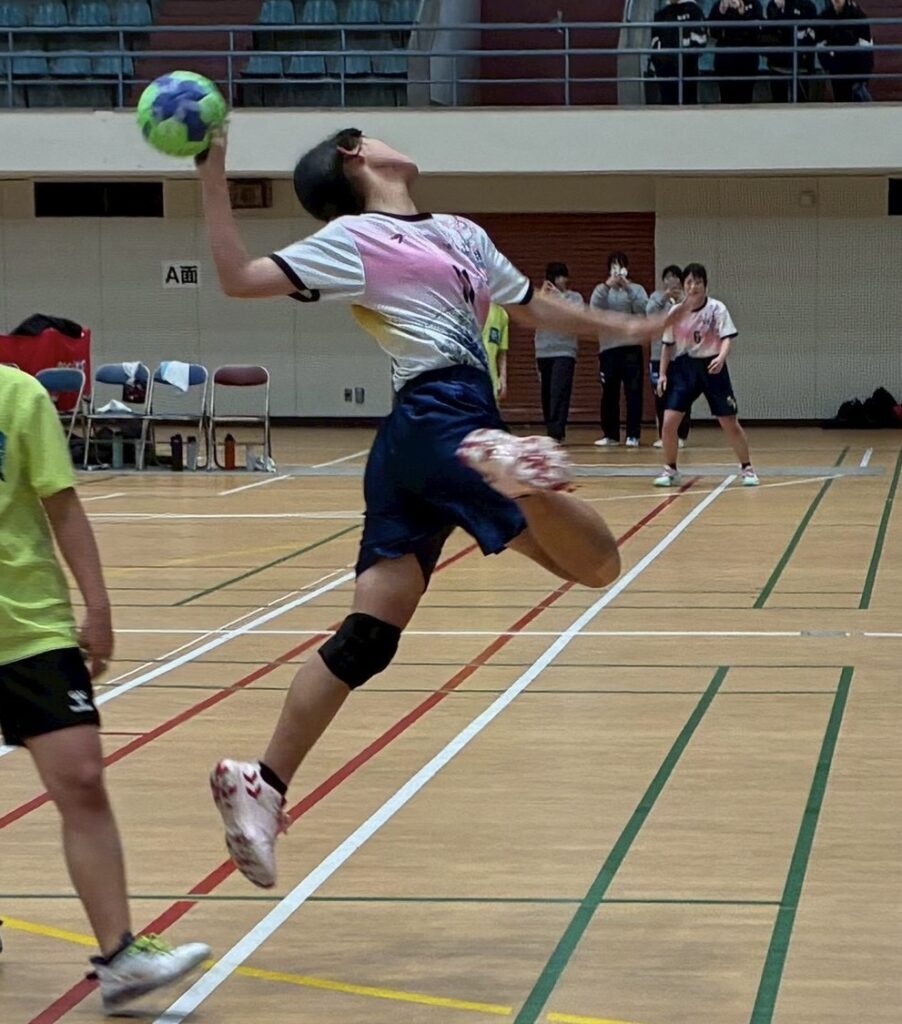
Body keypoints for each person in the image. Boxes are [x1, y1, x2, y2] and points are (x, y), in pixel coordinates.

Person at [194, 128, 688, 889]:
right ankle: (519, 475)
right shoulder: (352, 239)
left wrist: (629, 328)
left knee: (367, 637)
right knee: (599, 566)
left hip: (410, 444)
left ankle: (264, 783)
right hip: (445, 417)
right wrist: (212, 168)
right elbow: (237, 277)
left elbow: (533, 308)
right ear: (355, 152)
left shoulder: (463, 233)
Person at [0, 366, 209, 1010]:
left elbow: (62, 505)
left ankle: (120, 957)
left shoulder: (18, 395)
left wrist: (98, 605)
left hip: (31, 626)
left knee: (82, 776)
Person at [655, 263, 758, 487]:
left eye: (698, 282)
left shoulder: (717, 308)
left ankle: (747, 468)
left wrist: (721, 357)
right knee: (669, 422)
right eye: (689, 282)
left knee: (729, 422)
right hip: (685, 369)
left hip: (712, 367)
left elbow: (727, 337)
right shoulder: (675, 313)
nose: (693, 287)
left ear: (705, 285)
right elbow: (667, 345)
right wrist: (662, 374)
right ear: (683, 286)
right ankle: (670, 469)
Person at [590, 252, 648, 448]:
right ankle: (610, 435)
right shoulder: (602, 290)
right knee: (609, 393)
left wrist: (627, 287)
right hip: (608, 348)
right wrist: (608, 285)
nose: (617, 270)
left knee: (633, 392)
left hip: (631, 348)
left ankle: (633, 434)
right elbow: (594, 309)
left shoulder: (637, 289)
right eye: (613, 266)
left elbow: (643, 309)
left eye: (620, 266)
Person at [535, 262, 583, 442]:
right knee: (546, 393)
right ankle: (551, 429)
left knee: (559, 391)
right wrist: (542, 297)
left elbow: (576, 315)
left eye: (562, 276)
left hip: (565, 350)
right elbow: (532, 315)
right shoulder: (543, 298)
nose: (560, 280)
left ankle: (556, 432)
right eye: (556, 277)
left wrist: (559, 297)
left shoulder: (574, 297)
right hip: (543, 351)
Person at [646, 265, 691, 450]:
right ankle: (663, 435)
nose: (671, 280)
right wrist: (665, 297)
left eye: (675, 277)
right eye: (668, 277)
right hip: (659, 355)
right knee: (661, 396)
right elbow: (649, 313)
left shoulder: (687, 298)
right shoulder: (656, 298)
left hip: (681, 355)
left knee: (683, 395)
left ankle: (681, 435)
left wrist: (681, 301)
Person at [650, 0, 708, 105]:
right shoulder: (661, 14)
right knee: (668, 103)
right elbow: (654, 44)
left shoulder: (694, 10)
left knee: (688, 102)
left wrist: (685, 50)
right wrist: (660, 62)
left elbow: (701, 40)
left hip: (687, 68)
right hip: (665, 70)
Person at [818, 0, 873, 103]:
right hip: (836, 69)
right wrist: (830, 65)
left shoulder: (858, 16)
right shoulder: (824, 17)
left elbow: (867, 50)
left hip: (856, 69)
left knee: (859, 101)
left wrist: (863, 77)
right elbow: (821, 48)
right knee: (841, 102)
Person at [710, 0, 763, 104]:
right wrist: (721, 12)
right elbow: (711, 30)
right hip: (725, 58)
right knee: (726, 98)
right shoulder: (719, 4)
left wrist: (743, 14)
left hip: (747, 57)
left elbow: (759, 29)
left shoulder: (755, 4)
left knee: (746, 97)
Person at [764, 0, 818, 102]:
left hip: (800, 64)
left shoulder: (808, 6)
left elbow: (805, 28)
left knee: (801, 102)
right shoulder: (773, 4)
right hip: (777, 64)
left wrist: (787, 8)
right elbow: (773, 27)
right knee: (778, 102)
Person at [481, 301, 509, 405]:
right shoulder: (462, 309)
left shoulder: (501, 314)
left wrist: (503, 378)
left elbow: (502, 352)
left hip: (491, 382)